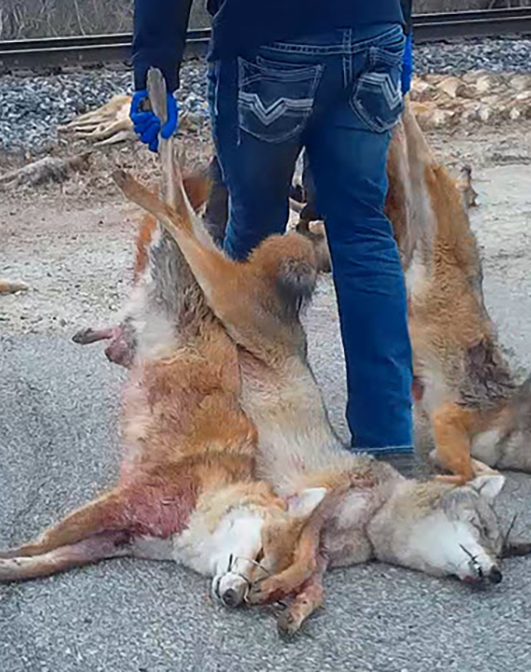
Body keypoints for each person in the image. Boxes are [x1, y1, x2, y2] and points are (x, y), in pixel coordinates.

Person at [131, 0, 422, 474]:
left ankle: (250, 425)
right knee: (364, 231)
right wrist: (400, 23)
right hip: (374, 32)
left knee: (253, 230)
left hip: (266, 40)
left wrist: (153, 69)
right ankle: (388, 442)